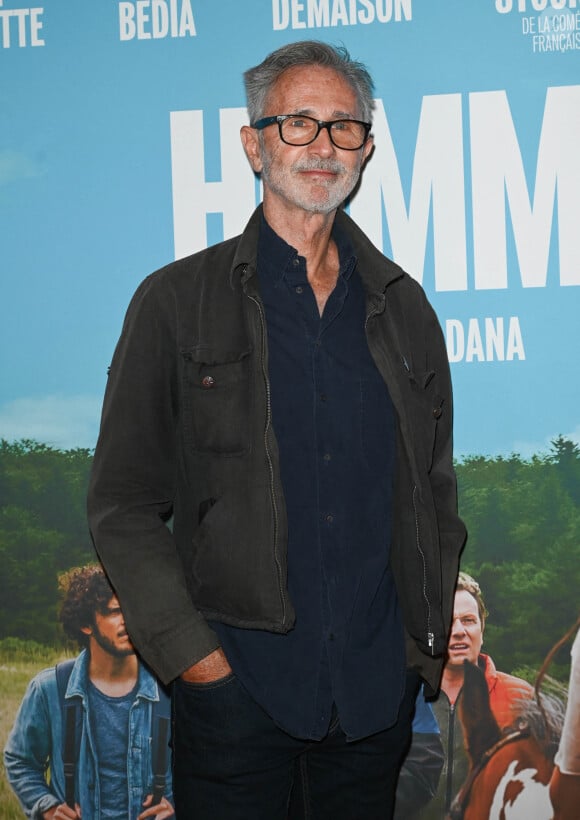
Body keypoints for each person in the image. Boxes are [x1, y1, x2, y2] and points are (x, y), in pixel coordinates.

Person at [87, 40, 466, 820]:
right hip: (234, 699)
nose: (323, 146)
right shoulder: (173, 302)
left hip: (373, 704)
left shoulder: (406, 310)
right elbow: (122, 504)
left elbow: (432, 491)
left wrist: (415, 659)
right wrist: (194, 662)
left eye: (344, 126)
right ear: (253, 143)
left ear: (368, 146)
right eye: (298, 123)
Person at [4, 564, 173, 820]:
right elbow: (20, 761)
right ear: (86, 624)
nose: (128, 619)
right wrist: (47, 807)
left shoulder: (169, 687)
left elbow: (205, 761)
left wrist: (176, 801)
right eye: (115, 611)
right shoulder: (50, 689)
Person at [407, 571, 534, 819]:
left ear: (481, 630)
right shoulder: (400, 699)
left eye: (468, 620)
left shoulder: (521, 698)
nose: (458, 631)